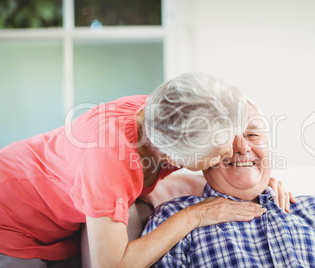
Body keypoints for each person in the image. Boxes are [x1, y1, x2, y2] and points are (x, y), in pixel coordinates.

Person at [0, 72, 292, 268]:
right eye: (221, 147)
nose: (231, 150)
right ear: (175, 156)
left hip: (56, 219)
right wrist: (195, 215)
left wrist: (258, 180)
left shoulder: (167, 116)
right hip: (10, 217)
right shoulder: (109, 160)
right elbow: (112, 265)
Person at [142, 100, 315, 268]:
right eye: (224, 138)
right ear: (202, 151)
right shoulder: (173, 218)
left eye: (253, 134)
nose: (242, 147)